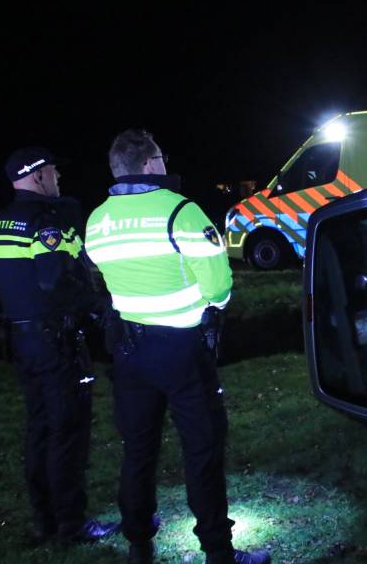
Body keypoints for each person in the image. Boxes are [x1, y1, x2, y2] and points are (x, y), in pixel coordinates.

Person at [84, 129, 270, 564]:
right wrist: (213, 304)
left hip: (129, 351)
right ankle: (218, 551)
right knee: (201, 448)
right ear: (150, 165)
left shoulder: (97, 219)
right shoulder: (181, 212)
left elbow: (105, 276)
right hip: (182, 350)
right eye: (160, 159)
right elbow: (219, 286)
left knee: (139, 448)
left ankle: (138, 542)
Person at [0, 147, 120, 545]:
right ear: (36, 177)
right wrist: (97, 306)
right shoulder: (47, 223)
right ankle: (72, 524)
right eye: (52, 172)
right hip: (57, 343)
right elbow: (55, 280)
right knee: (67, 431)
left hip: (22, 341)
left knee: (40, 428)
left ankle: (45, 519)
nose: (58, 178)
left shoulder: (1, 221)